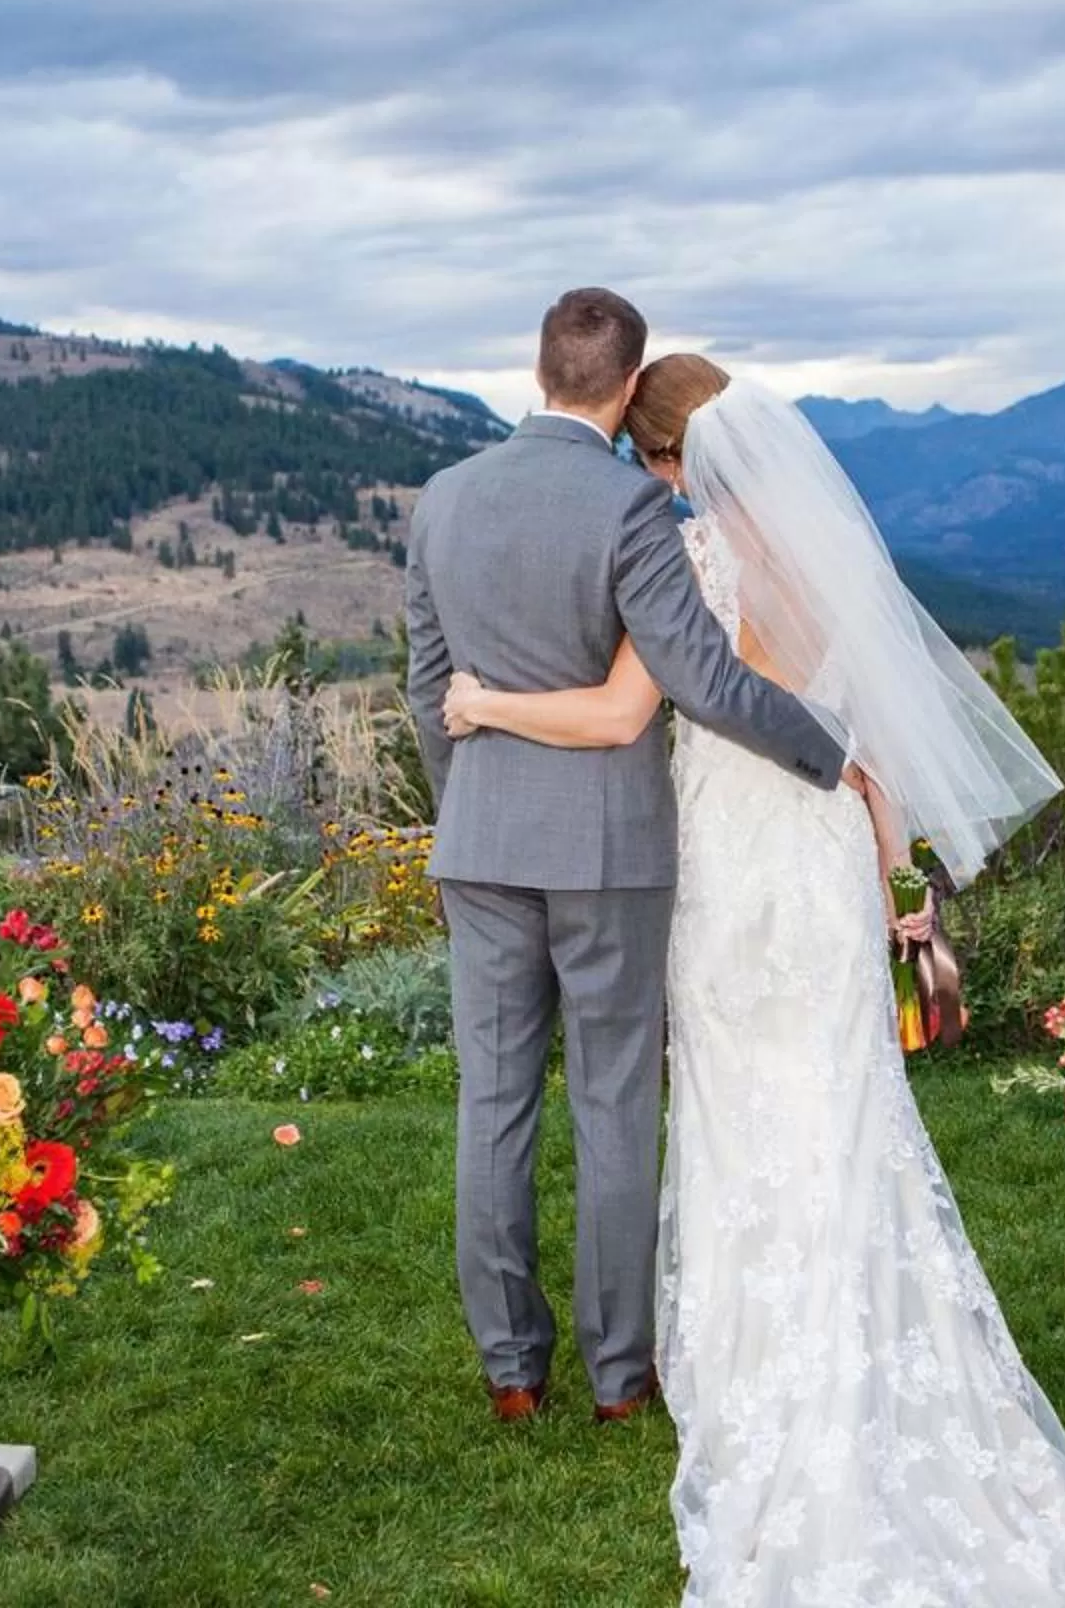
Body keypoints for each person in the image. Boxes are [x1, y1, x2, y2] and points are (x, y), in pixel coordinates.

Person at [443, 353, 1065, 1606]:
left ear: (667, 459)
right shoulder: (825, 558)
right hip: (825, 857)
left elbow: (625, 713)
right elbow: (863, 740)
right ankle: (856, 1321)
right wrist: (898, 879)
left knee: (740, 1099)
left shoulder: (688, 561)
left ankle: (752, 1349)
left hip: (734, 865)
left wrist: (481, 702)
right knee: (841, 1101)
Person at [402, 290, 850, 1427]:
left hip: (483, 842)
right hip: (609, 852)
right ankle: (617, 1377)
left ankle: (511, 1369)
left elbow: (426, 690)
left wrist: (472, 813)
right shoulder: (630, 507)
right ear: (627, 378)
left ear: (541, 366)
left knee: (491, 1101)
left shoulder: (443, 499)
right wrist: (828, 746)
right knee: (610, 1104)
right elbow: (701, 681)